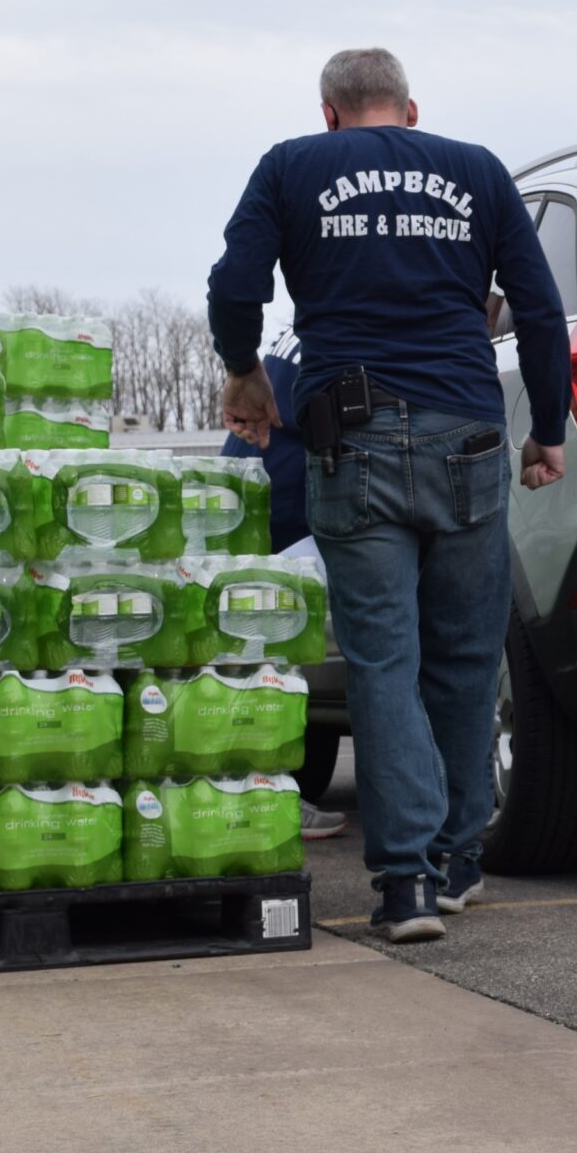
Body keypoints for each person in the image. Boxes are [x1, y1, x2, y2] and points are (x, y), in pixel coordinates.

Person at [208, 48, 571, 944]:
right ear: (410, 110)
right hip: (471, 436)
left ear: (330, 113)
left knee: (383, 662)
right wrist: (549, 430)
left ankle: (404, 882)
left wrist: (246, 374)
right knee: (465, 655)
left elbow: (233, 288)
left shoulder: (293, 164)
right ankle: (459, 861)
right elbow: (537, 304)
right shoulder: (478, 169)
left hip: (353, 437)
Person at [214, 328, 347, 841]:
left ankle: (261, 794)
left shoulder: (294, 330)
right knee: (267, 674)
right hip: (286, 529)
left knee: (247, 669)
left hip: (243, 515)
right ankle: (265, 799)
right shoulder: (340, 333)